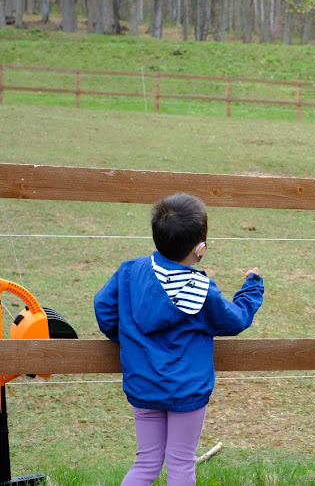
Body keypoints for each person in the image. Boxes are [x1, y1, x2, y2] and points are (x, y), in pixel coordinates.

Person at [94, 193, 264, 486]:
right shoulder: (202, 290)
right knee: (181, 464)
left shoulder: (130, 271)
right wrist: (252, 289)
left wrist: (124, 335)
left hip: (143, 384)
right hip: (187, 390)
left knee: (146, 462)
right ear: (201, 248)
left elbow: (103, 307)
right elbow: (234, 320)